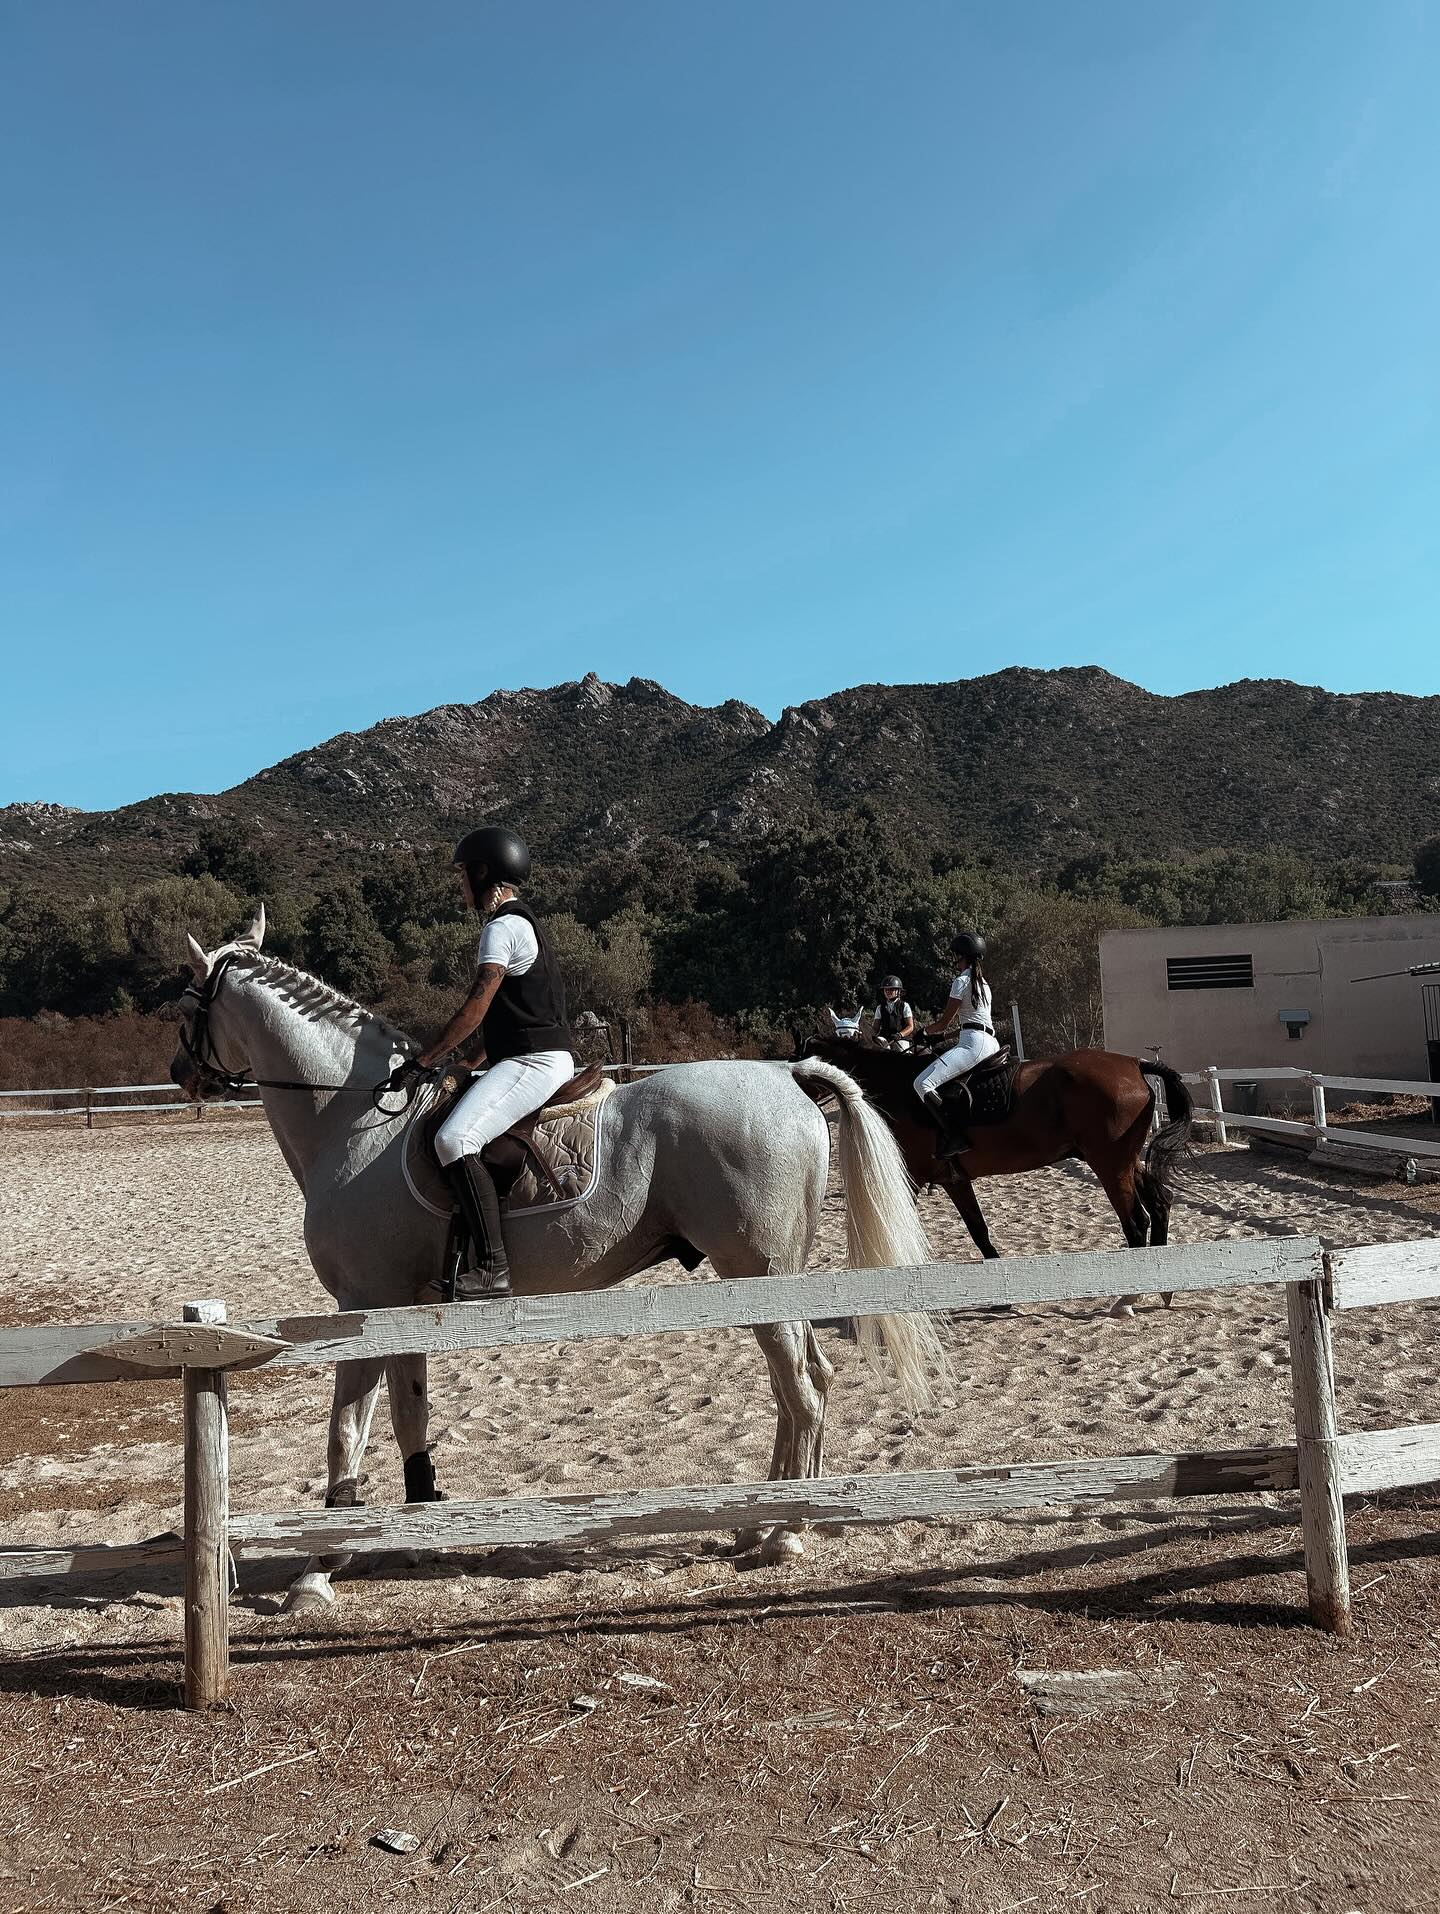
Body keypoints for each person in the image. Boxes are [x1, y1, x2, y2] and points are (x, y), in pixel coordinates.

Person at [385, 827, 573, 1298]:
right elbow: (506, 1018)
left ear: (483, 872)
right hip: (536, 1055)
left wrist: (424, 1059)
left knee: (454, 1138)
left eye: (463, 874)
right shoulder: (524, 923)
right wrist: (467, 1064)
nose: (459, 885)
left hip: (533, 1063)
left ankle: (493, 1269)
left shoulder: (501, 927)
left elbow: (477, 1005)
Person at [913, 932, 999, 1155]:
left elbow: (943, 1022)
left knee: (922, 1084)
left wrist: (923, 1032)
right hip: (990, 1042)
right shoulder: (984, 984)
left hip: (974, 1044)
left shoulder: (961, 981)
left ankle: (954, 1136)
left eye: (955, 956)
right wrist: (944, 1038)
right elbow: (971, 1022)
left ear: (960, 957)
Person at [873, 976, 915, 1049]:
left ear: (898, 991)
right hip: (884, 1038)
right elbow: (875, 1028)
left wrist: (900, 1035)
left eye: (891, 989)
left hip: (901, 1038)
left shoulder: (905, 1005)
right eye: (886, 990)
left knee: (901, 1049)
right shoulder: (879, 1007)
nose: (888, 992)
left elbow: (910, 1027)